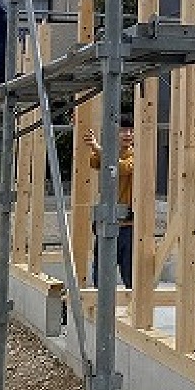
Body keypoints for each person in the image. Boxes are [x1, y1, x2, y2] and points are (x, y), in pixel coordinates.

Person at [86, 124, 136, 290]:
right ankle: (99, 311)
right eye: (123, 130)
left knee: (130, 275)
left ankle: (133, 312)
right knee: (101, 273)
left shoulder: (136, 155)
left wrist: (99, 148)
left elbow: (122, 167)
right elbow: (94, 162)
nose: (127, 134)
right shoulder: (108, 153)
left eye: (131, 130)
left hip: (128, 227)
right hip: (106, 222)